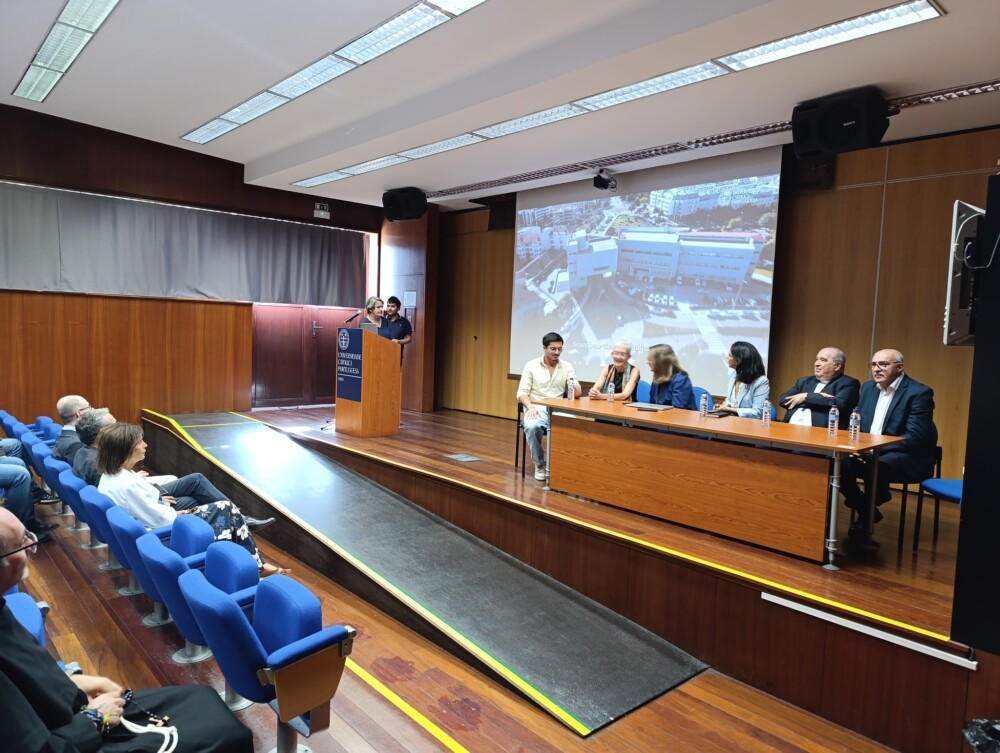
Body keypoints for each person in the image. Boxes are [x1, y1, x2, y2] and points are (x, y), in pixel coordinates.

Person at [0, 507, 255, 753]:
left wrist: (67, 682)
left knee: (202, 699)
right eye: (22, 544)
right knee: (227, 734)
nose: (31, 548)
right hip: (76, 735)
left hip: (66, 714)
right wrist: (95, 719)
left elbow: (24, 677)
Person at [95, 423, 283, 573]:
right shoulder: (129, 483)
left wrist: (169, 508)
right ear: (126, 449)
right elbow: (160, 519)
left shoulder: (112, 476)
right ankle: (253, 565)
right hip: (162, 536)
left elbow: (147, 508)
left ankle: (251, 563)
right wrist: (177, 514)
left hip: (150, 531)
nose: (145, 445)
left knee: (224, 510)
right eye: (140, 441)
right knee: (227, 511)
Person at [840, 349, 937, 538]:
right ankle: (868, 510)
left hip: (904, 454)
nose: (877, 369)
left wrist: (873, 450)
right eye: (874, 365)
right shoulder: (868, 388)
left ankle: (867, 513)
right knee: (835, 463)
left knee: (875, 465)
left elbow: (914, 437)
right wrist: (856, 446)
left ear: (900, 368)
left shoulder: (919, 393)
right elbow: (858, 422)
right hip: (868, 451)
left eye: (883, 364)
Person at [516, 332, 581, 481]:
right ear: (544, 348)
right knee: (532, 426)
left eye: (559, 349)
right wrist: (530, 407)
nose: (557, 352)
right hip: (536, 407)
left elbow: (576, 392)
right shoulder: (531, 365)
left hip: (557, 408)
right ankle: (540, 464)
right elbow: (522, 393)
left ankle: (563, 464)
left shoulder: (567, 366)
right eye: (553, 349)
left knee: (576, 425)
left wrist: (575, 385)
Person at [778, 347, 860, 428]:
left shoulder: (849, 383)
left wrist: (805, 397)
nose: (816, 364)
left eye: (823, 360)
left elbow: (839, 403)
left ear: (837, 366)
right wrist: (819, 399)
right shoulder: (804, 381)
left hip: (821, 434)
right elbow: (783, 400)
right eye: (816, 359)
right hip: (788, 429)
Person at [716, 341, 770, 418]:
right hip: (730, 421)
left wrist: (729, 409)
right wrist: (724, 405)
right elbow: (730, 400)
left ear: (739, 360)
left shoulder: (761, 382)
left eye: (730, 355)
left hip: (749, 426)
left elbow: (758, 413)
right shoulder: (732, 373)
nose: (727, 357)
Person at [72, 408, 117, 488]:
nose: (120, 430)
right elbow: (112, 494)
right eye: (115, 427)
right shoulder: (100, 463)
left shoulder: (82, 451)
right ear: (102, 432)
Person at [645, 344, 697, 410]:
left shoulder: (680, 380)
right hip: (660, 418)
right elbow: (652, 405)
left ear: (660, 362)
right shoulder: (657, 379)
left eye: (650, 360)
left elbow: (677, 411)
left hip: (680, 419)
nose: (648, 362)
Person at [52, 395, 92, 464]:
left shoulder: (66, 435)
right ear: (79, 413)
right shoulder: (76, 443)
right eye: (88, 407)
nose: (92, 410)